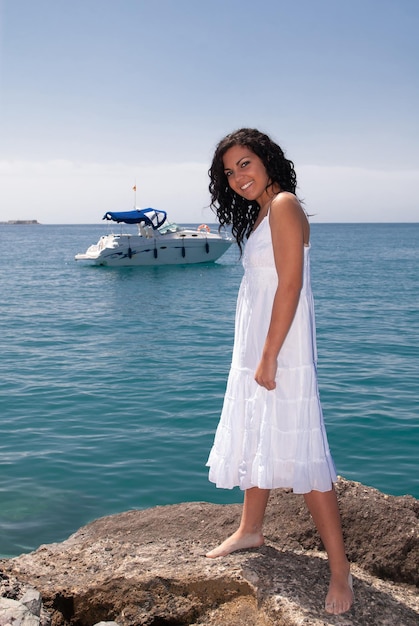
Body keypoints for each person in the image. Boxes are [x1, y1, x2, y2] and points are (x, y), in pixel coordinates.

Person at [205, 128, 353, 615]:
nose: (237, 177)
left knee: (303, 450)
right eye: (229, 171)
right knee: (255, 432)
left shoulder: (285, 205)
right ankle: (250, 529)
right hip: (258, 345)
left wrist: (269, 356)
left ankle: (340, 572)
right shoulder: (263, 213)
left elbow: (289, 286)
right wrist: (256, 353)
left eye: (245, 163)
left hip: (281, 348)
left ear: (267, 160)